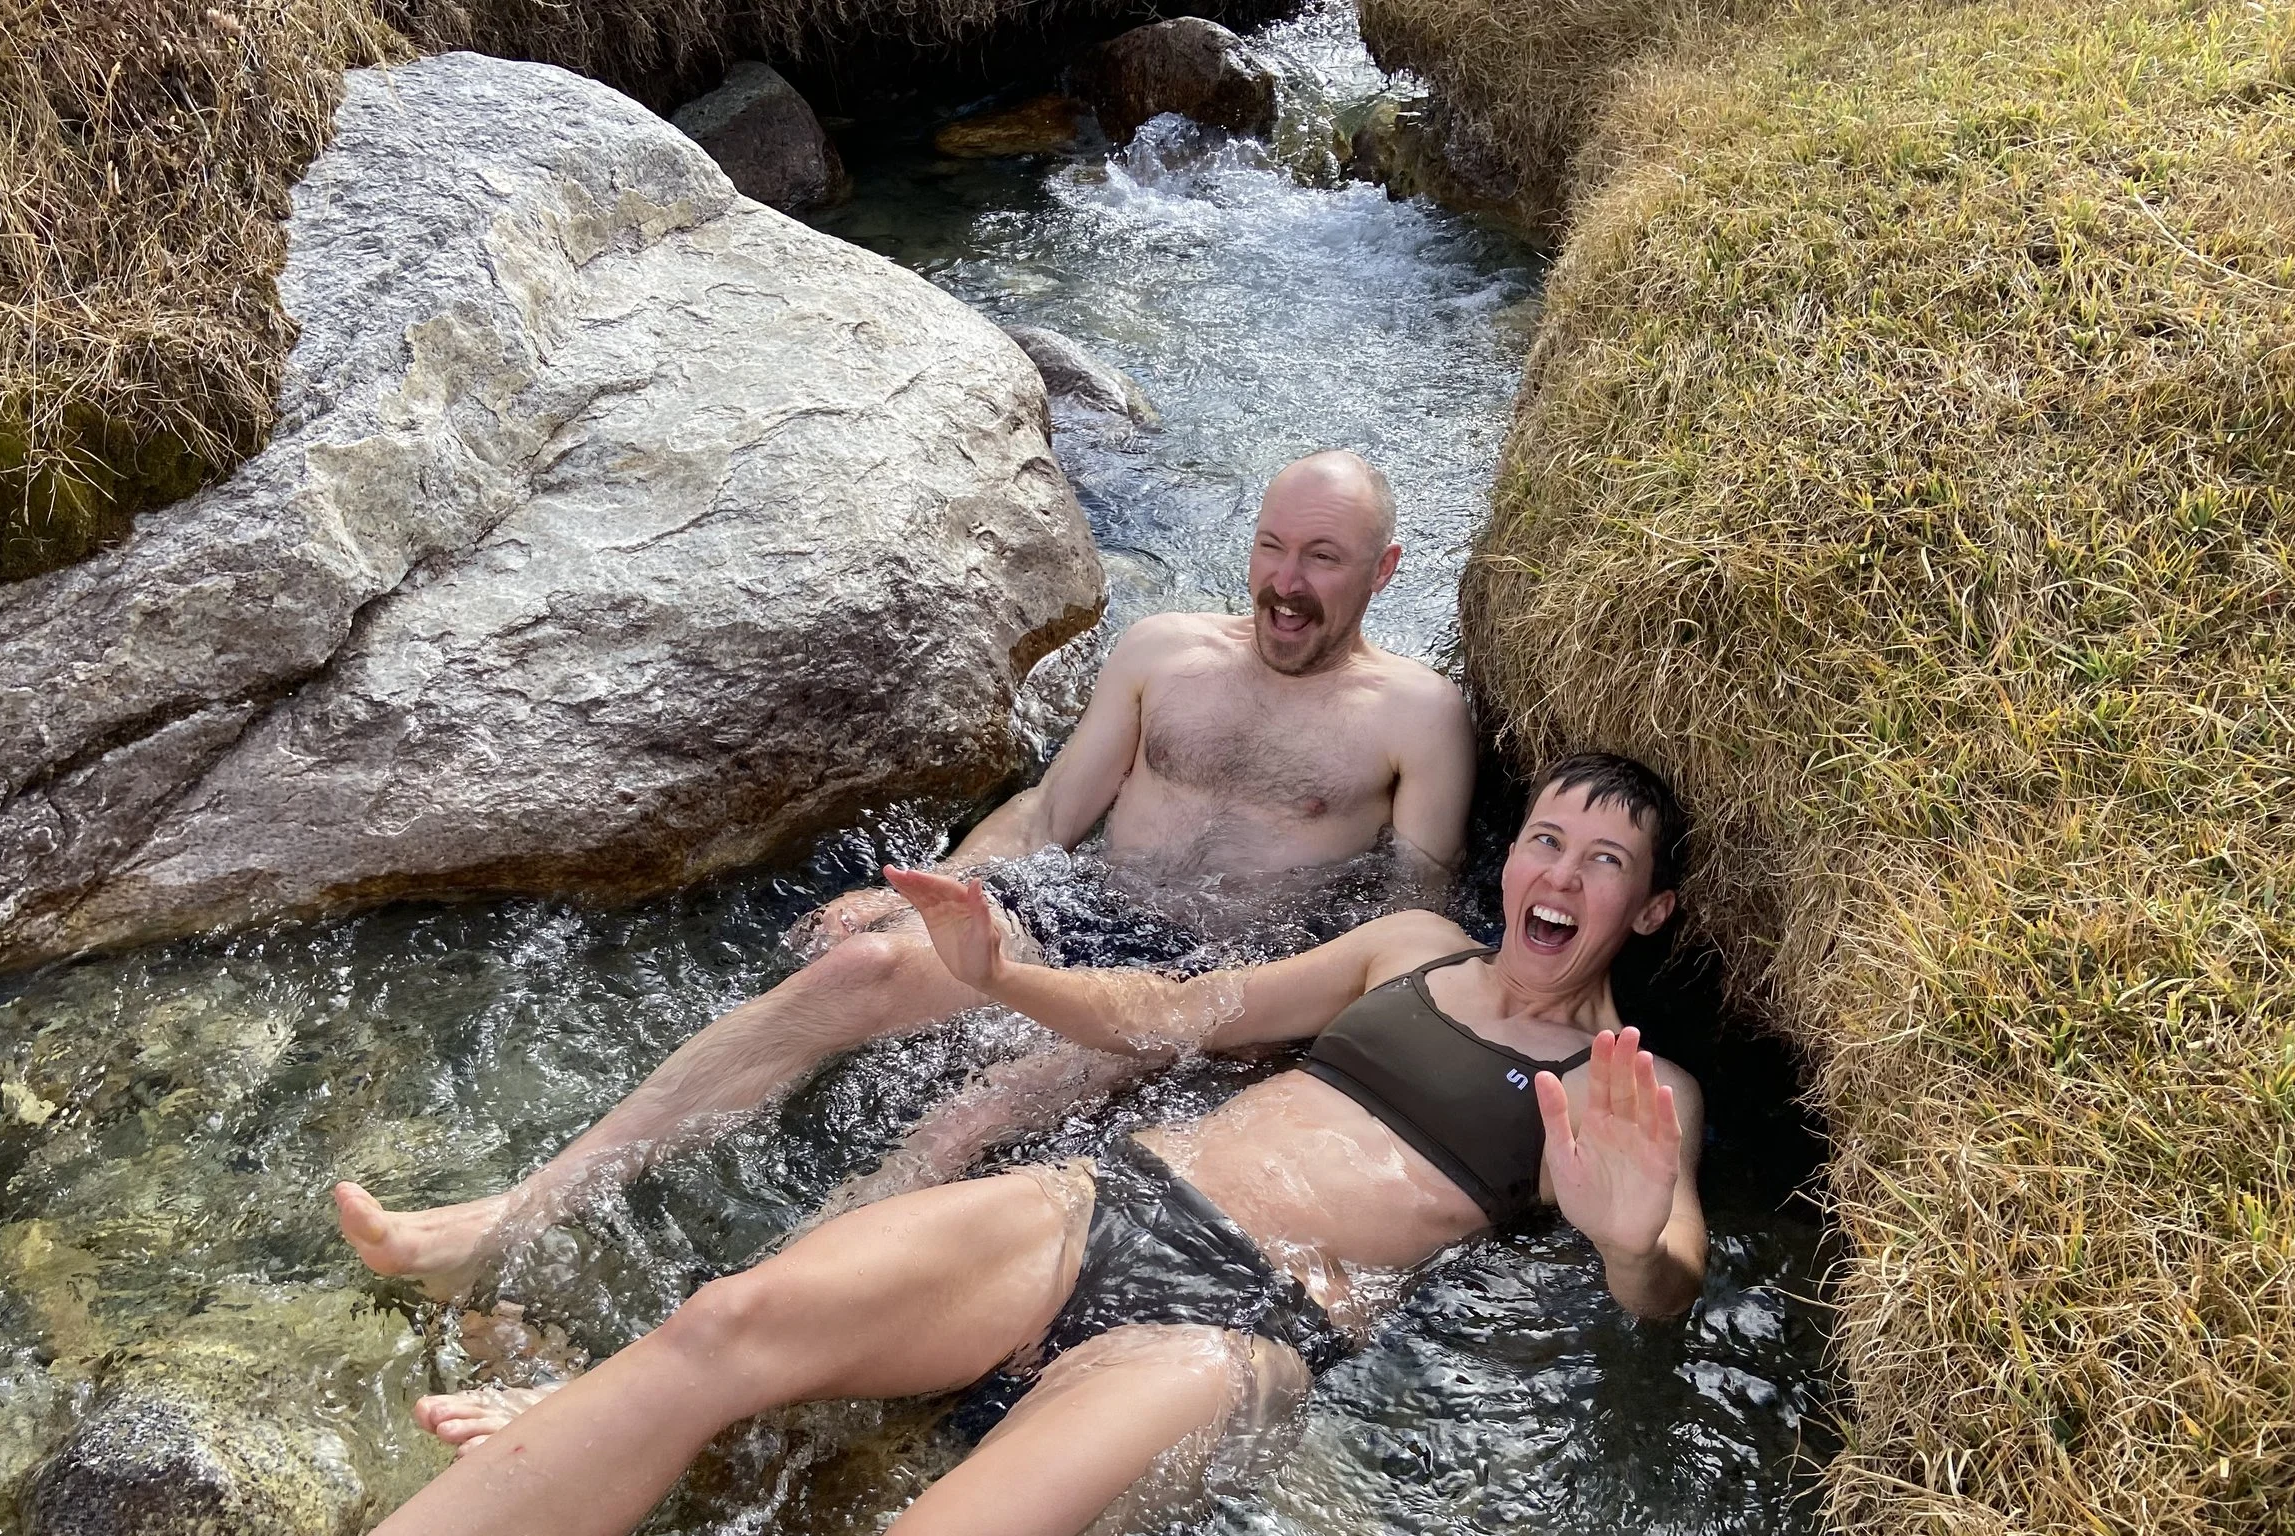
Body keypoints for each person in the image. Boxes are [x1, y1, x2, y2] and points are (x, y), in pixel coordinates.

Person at [0, 753, 1705, 1536]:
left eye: (1603, 859)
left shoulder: (1637, 1092)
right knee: (718, 1330)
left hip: (1242, 1336)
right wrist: (1006, 973)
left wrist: (1631, 1236)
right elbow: (1181, 1006)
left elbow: (1661, 1279)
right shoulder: (1404, 956)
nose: (1561, 870)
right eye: (1548, 833)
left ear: (1650, 905)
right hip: (1117, 1199)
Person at [332, 449, 1477, 1302]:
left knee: (968, 1117)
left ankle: (744, 1316)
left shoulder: (1418, 719)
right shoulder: (1165, 653)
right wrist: (940, 888)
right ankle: (516, 1218)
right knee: (861, 971)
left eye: (1322, 558)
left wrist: (1262, 1038)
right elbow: (1048, 815)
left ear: (1381, 570)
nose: (1286, 581)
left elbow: (1408, 927)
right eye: (1274, 546)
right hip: (1078, 922)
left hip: (1200, 991)